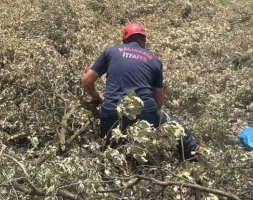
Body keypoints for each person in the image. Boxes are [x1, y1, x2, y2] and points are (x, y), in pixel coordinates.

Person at [81, 23, 197, 160]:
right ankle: (193, 161)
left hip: (111, 115)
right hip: (145, 115)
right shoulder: (154, 60)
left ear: (124, 40)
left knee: (109, 154)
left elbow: (86, 81)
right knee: (177, 126)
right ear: (143, 40)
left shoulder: (110, 51)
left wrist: (98, 97)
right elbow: (158, 103)